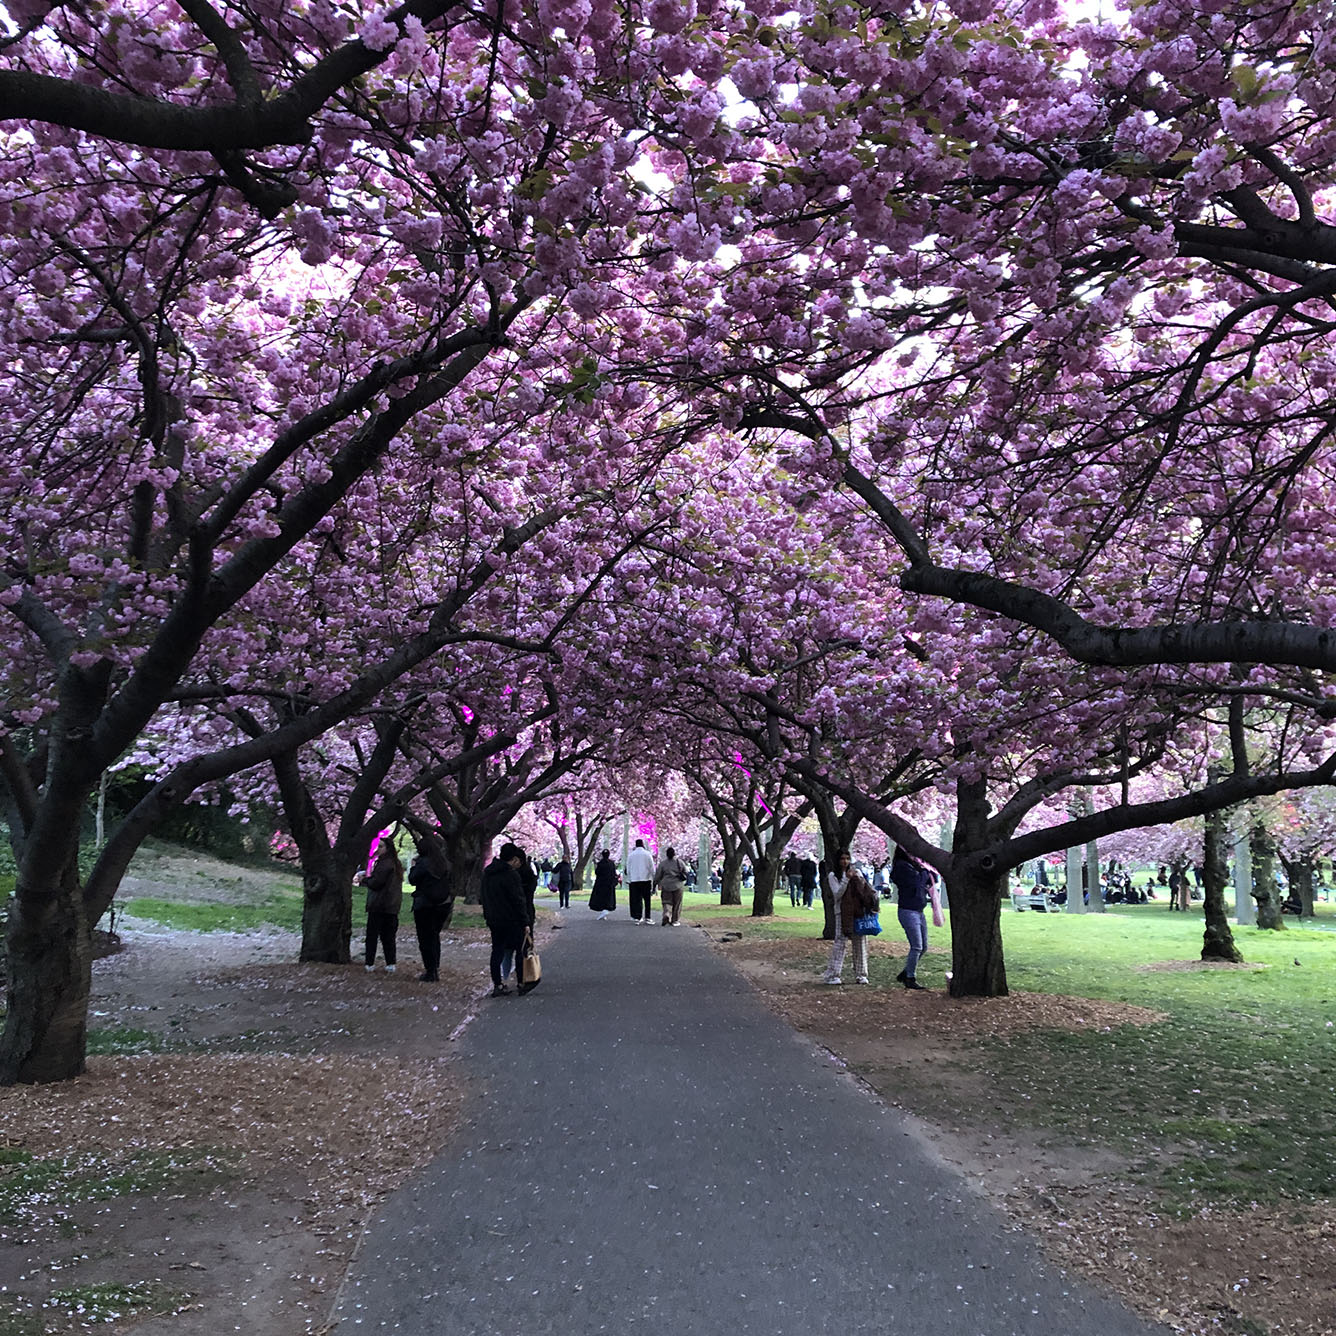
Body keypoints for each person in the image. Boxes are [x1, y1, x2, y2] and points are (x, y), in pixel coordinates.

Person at [821, 848, 877, 985]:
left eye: (847, 858)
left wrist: (858, 878)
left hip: (858, 912)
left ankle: (861, 974)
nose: (845, 861)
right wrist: (846, 879)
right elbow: (837, 894)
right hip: (841, 912)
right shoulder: (833, 876)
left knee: (860, 942)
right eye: (842, 858)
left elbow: (864, 890)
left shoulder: (857, 872)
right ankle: (833, 974)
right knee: (840, 943)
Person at [481, 842, 528, 996]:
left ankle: (498, 984)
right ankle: (521, 982)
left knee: (497, 951)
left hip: (494, 919)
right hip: (512, 919)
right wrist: (525, 920)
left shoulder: (488, 873)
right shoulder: (511, 875)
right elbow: (518, 900)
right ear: (513, 858)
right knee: (520, 950)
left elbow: (483, 896)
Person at [407, 838, 453, 982]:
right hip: (442, 904)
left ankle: (430, 970)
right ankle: (435, 966)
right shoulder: (444, 863)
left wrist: (414, 866)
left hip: (425, 904)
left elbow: (413, 879)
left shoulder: (423, 863)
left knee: (425, 938)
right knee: (434, 935)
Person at [889, 846, 934, 990]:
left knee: (924, 946)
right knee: (916, 946)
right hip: (908, 911)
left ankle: (906, 972)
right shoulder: (902, 867)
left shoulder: (914, 866)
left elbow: (930, 880)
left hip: (918, 910)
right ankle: (910, 977)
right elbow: (917, 882)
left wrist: (925, 871)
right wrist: (925, 872)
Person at [362, 839, 404, 973]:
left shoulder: (385, 864)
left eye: (381, 846)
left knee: (373, 935)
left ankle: (369, 963)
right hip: (391, 906)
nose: (378, 849)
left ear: (387, 848)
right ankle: (390, 963)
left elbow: (376, 882)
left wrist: (364, 879)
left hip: (380, 905)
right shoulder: (394, 864)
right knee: (388, 936)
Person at [654, 844, 691, 926]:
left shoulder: (663, 864)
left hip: (666, 885)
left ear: (666, 854)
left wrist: (655, 883)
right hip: (677, 885)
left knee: (666, 902)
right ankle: (675, 920)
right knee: (677, 903)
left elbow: (658, 875)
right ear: (674, 854)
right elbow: (686, 872)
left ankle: (666, 914)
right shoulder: (679, 862)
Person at [626, 837, 656, 924]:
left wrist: (630, 877)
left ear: (636, 845)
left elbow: (628, 869)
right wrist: (653, 878)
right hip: (646, 879)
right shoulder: (647, 854)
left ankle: (638, 917)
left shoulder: (631, 855)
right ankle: (647, 917)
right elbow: (652, 868)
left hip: (634, 880)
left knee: (637, 899)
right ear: (643, 845)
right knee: (647, 899)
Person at [589, 848, 618, 920]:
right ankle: (606, 909)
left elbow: (597, 872)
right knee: (608, 897)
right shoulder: (611, 863)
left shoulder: (600, 863)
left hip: (601, 883)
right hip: (609, 883)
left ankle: (603, 910)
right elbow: (614, 873)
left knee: (601, 897)